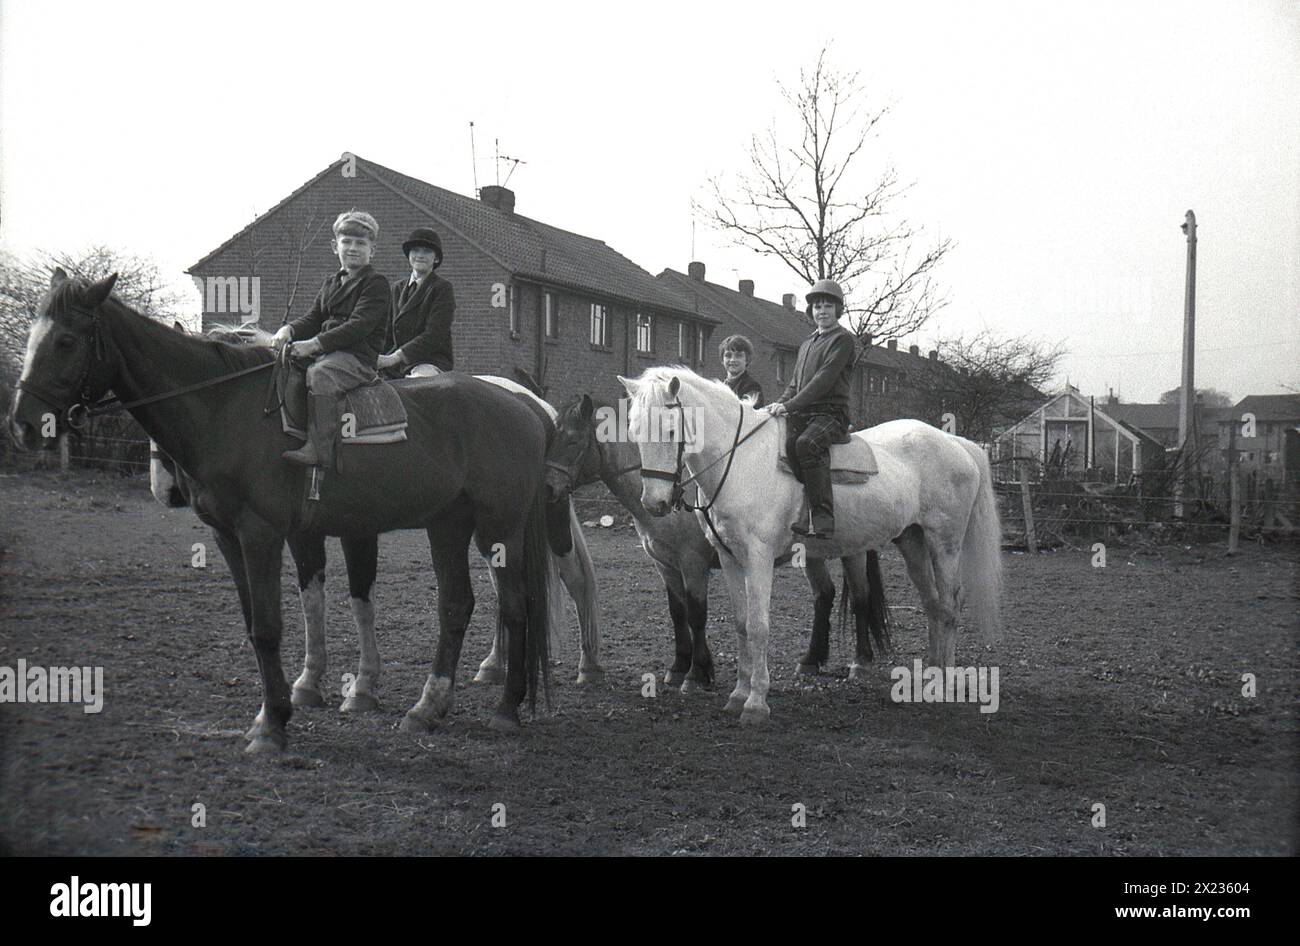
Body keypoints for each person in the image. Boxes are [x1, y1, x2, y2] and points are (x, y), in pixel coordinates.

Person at [271, 210, 391, 468]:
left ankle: (319, 449)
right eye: (346, 242)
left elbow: (358, 326)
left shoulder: (376, 283)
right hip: (327, 354)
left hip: (356, 358)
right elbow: (313, 319)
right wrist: (288, 330)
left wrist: (314, 344)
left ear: (373, 250)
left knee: (321, 375)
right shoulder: (330, 283)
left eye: (361, 243)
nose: (353, 248)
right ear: (334, 247)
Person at [763, 279, 857, 538]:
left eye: (828, 306)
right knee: (788, 444)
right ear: (811, 311)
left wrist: (790, 405)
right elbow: (794, 384)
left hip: (831, 414)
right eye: (817, 307)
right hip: (805, 414)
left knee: (807, 444)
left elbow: (822, 382)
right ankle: (801, 508)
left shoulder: (843, 341)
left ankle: (823, 517)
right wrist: (778, 405)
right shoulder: (807, 344)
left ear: (838, 310)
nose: (822, 311)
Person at [378, 226, 456, 378]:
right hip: (394, 362)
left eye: (427, 251)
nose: (420, 255)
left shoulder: (442, 288)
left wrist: (395, 357)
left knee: (418, 384)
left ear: (436, 258)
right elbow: (386, 331)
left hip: (429, 360)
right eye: (415, 250)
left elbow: (434, 335)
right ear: (409, 255)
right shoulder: (397, 288)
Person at [719, 334, 764, 407]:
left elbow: (743, 413)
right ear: (722, 360)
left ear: (747, 360)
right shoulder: (719, 386)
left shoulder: (752, 387)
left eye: (738, 355)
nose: (733, 360)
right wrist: (699, 417)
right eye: (728, 355)